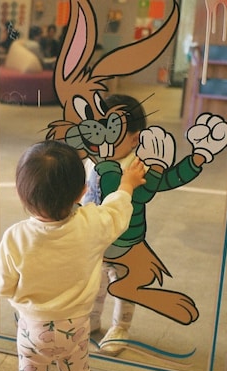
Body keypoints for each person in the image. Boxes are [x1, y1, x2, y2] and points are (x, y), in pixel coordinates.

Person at [0, 140, 146, 371]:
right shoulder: (92, 223)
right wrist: (127, 184)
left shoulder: (16, 238)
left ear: (21, 194)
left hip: (33, 330)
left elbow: (0, 281)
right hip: (75, 328)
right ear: (82, 191)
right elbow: (117, 212)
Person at [85, 94, 148, 356]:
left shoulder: (135, 167)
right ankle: (91, 321)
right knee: (94, 283)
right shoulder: (93, 160)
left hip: (123, 242)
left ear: (134, 139)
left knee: (123, 286)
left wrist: (129, 183)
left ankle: (120, 328)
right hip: (94, 238)